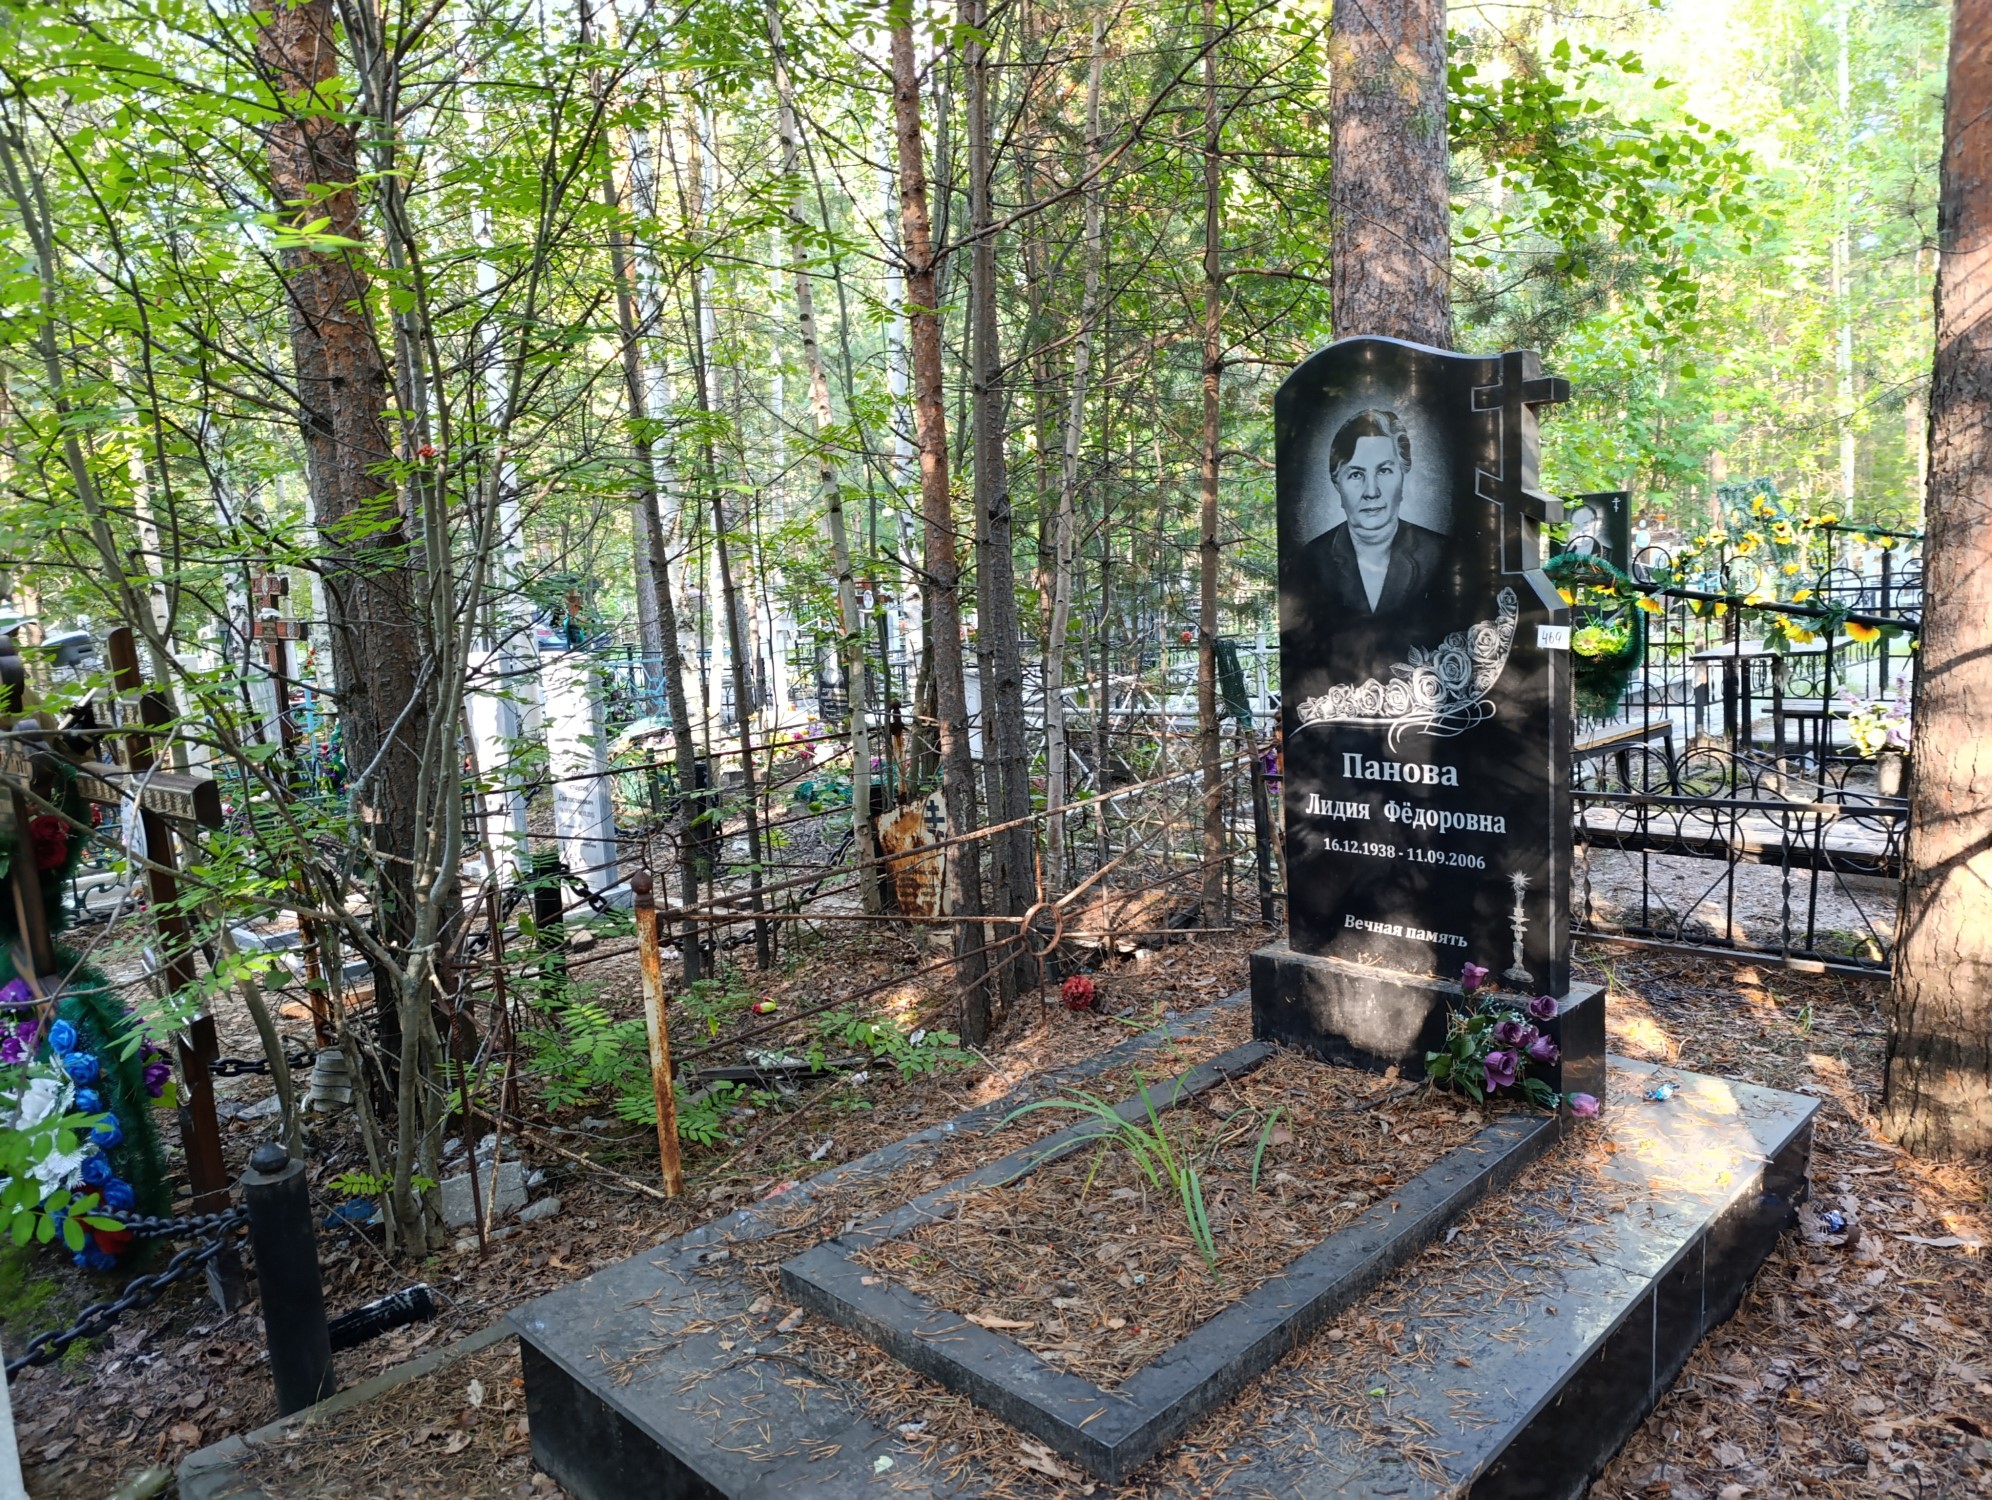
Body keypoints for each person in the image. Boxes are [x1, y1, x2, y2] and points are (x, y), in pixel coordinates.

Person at [1287, 408, 1447, 620]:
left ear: (1402, 475)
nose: (1372, 492)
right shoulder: (1310, 560)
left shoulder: (1442, 554)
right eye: (1356, 474)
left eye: (1384, 471)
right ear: (1337, 483)